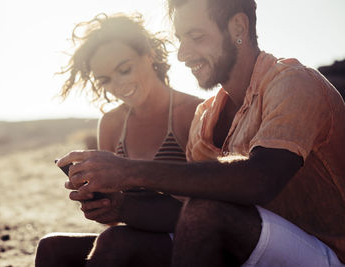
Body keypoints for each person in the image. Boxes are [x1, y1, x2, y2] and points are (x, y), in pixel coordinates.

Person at [56, 0, 345, 266]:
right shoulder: (206, 116)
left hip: (327, 251)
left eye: (196, 37)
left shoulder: (293, 83)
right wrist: (120, 206)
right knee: (90, 246)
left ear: (238, 28)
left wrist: (128, 171)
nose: (183, 54)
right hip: (250, 244)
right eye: (181, 39)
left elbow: (261, 179)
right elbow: (182, 212)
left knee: (206, 212)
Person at [35, 13, 202, 267]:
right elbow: (114, 219)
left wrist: (125, 207)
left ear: (150, 55)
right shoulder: (113, 124)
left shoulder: (192, 112)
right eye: (105, 80)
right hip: (137, 238)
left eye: (124, 70)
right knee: (51, 247)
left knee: (115, 242)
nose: (118, 85)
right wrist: (99, 203)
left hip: (196, 239)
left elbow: (210, 211)